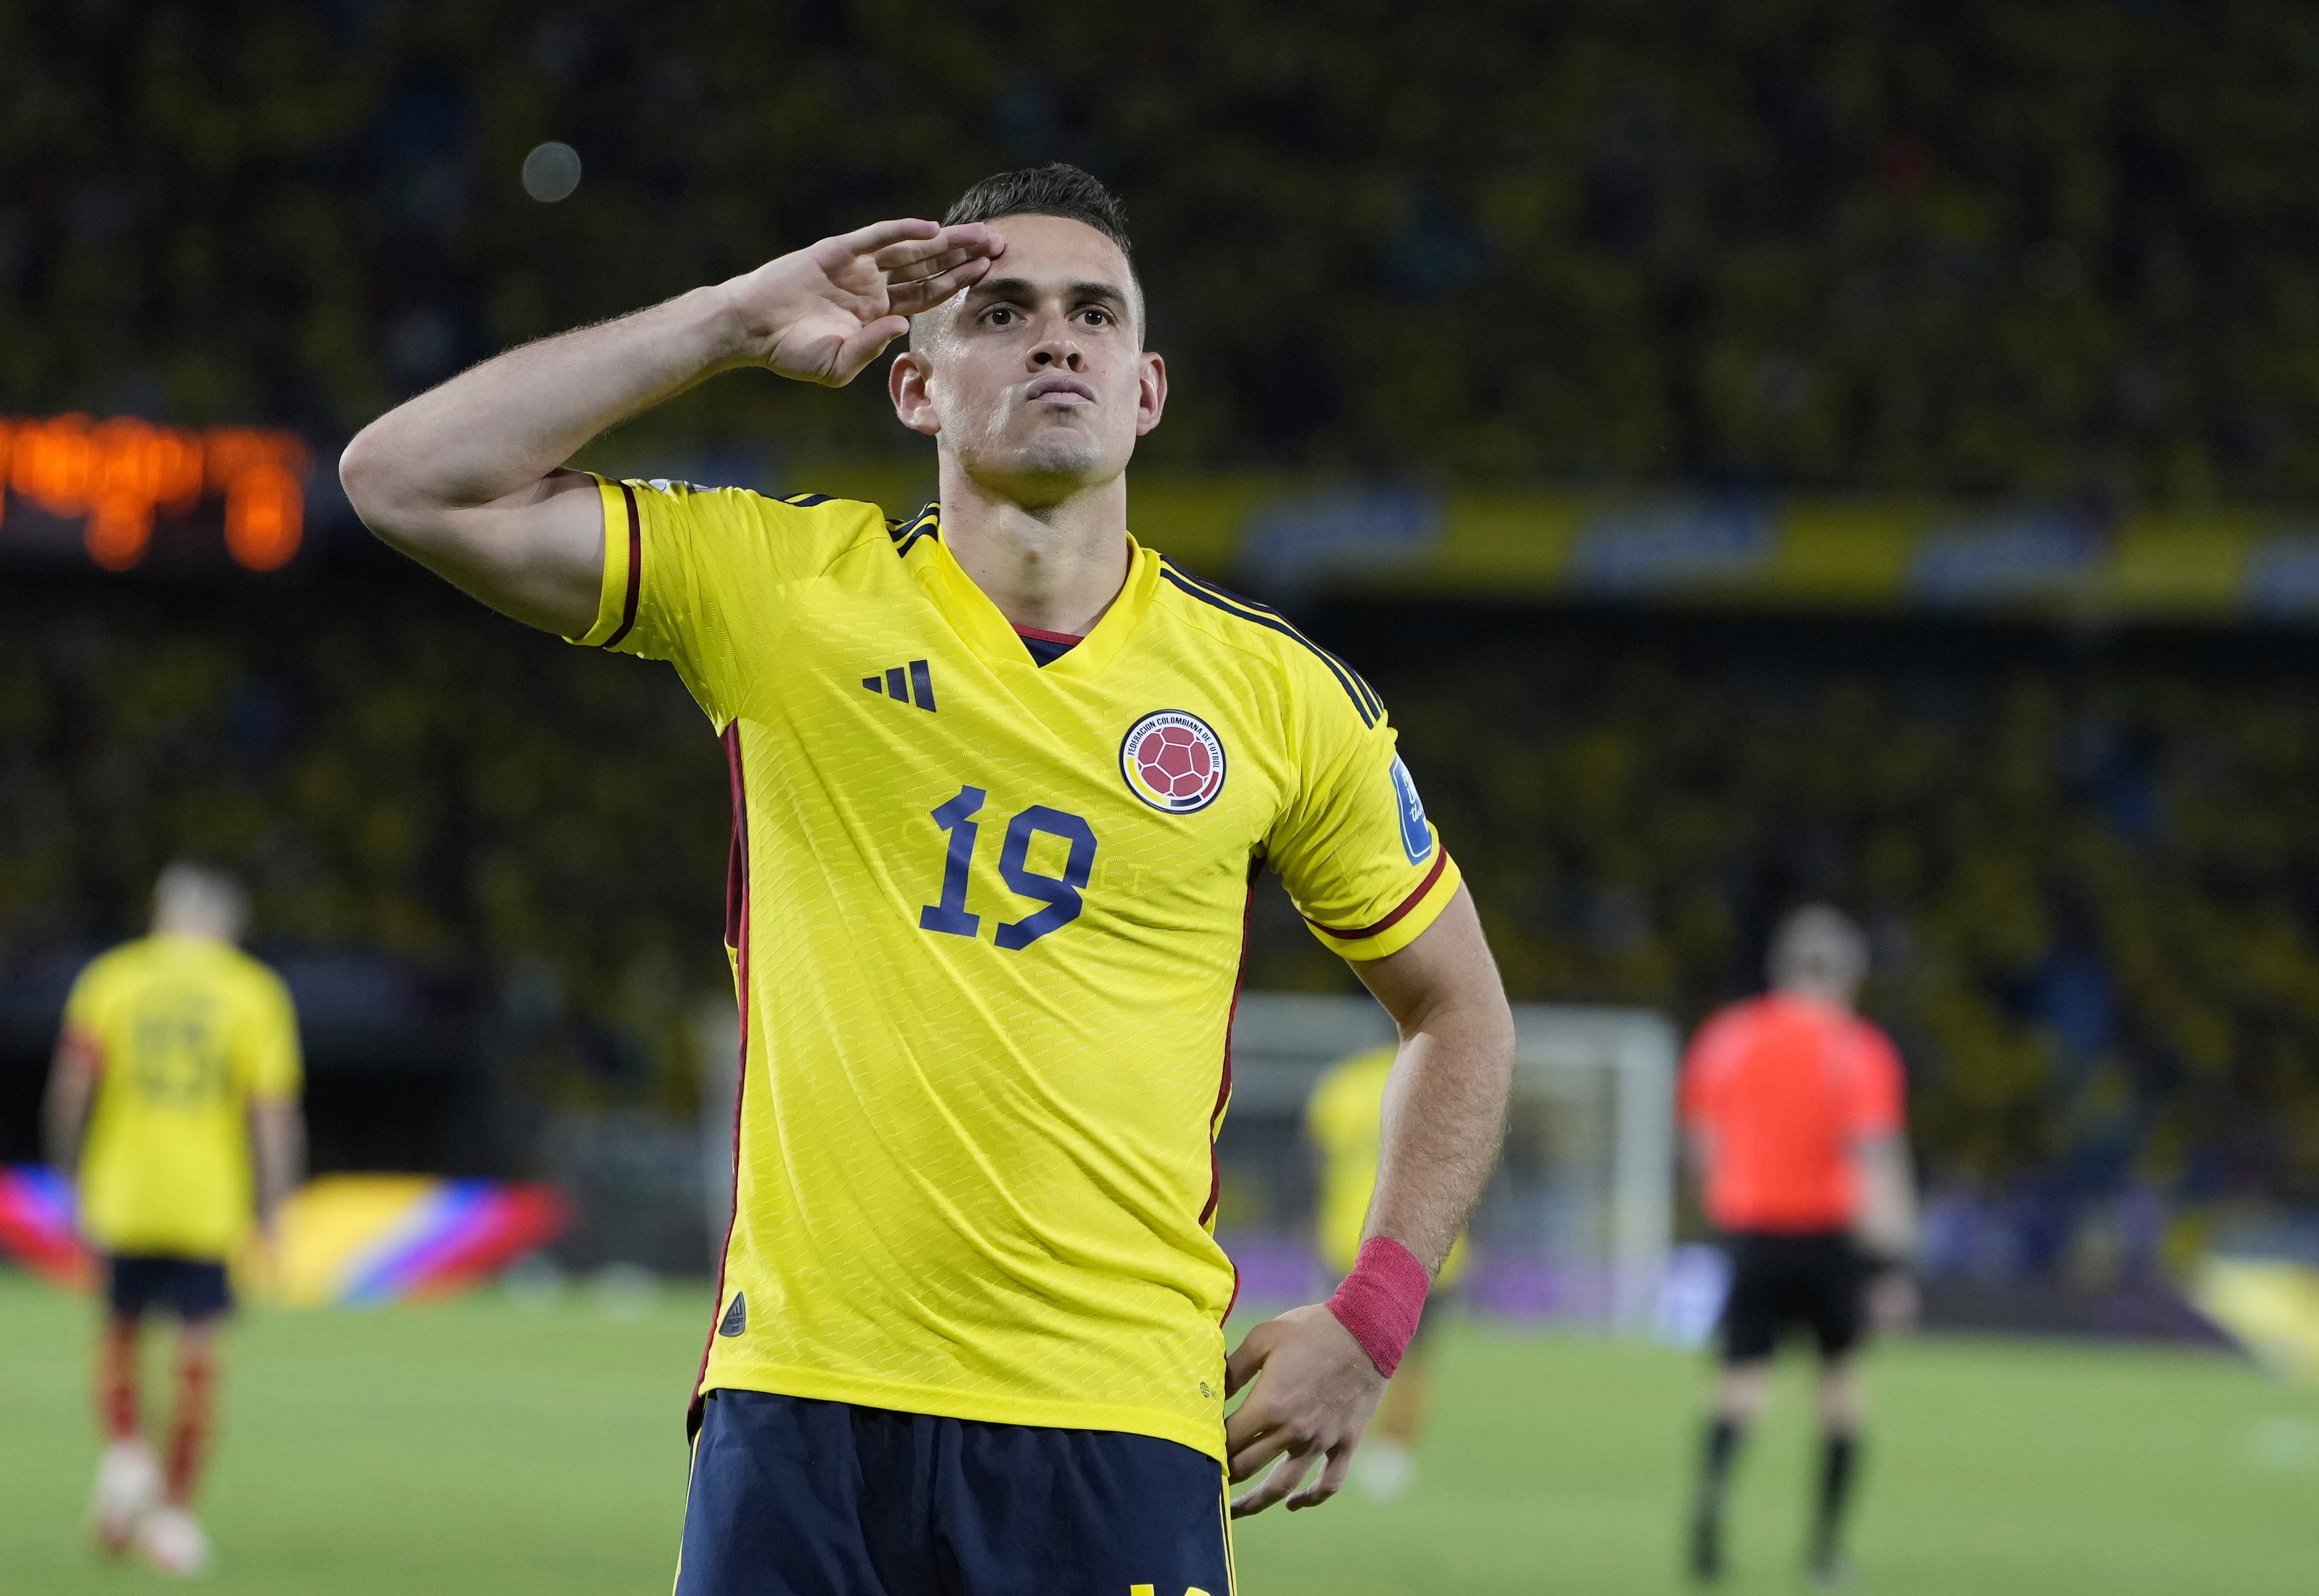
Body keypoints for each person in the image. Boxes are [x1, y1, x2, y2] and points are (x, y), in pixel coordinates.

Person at [340, 163, 1516, 1595]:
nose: (1054, 341)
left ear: (1146, 390)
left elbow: (1459, 1009)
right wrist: (725, 318)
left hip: (1119, 1418)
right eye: (1000, 311)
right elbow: (403, 479)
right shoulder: (783, 591)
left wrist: (1375, 1316)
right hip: (806, 1400)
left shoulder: (1278, 699)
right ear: (914, 387)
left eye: (1093, 315)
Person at [43, 862, 305, 1577]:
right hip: (205, 1200)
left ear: (164, 913)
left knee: (120, 1329)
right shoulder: (253, 990)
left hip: (123, 1191)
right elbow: (271, 1110)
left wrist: (69, 1176)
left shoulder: (113, 978)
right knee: (199, 1352)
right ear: (227, 922)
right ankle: (175, 1518)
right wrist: (275, 1205)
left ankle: (127, 1450)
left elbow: (72, 1087)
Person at [1677, 904, 1918, 1587]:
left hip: (1749, 1228)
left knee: (1738, 1382)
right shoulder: (1858, 1048)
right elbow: (1874, 1157)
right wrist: (1892, 1263)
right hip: (1827, 1236)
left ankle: (1708, 1516)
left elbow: (1700, 1144)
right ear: (1847, 974)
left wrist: (1725, 1207)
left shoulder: (1727, 1036)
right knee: (1840, 1387)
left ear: (1780, 966)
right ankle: (1822, 1548)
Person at [1304, 1043, 1472, 1500]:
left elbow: (1317, 1163)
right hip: (1429, 1247)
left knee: (1340, 1352)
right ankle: (1392, 1458)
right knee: (1415, 1360)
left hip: (1349, 1241)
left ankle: (1326, 1443)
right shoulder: (1447, 1080)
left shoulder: (1344, 1083)